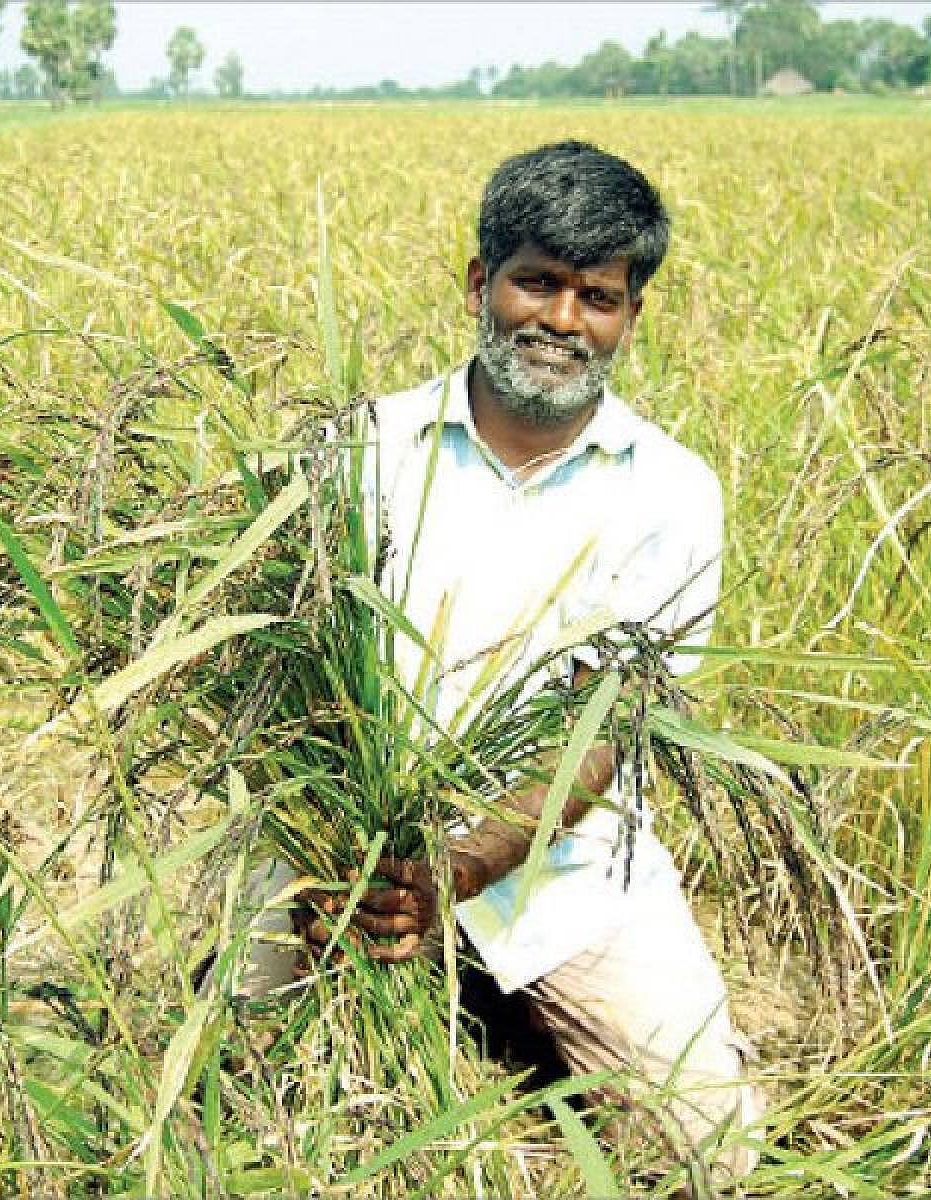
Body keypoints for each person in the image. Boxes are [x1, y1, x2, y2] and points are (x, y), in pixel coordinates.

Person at [254, 140, 766, 1185]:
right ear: (480, 283)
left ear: (632, 314)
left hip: (562, 871)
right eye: (537, 281)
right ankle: (459, 992)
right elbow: (280, 680)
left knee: (710, 1150)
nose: (564, 321)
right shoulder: (356, 451)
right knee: (250, 1113)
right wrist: (335, 849)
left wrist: (463, 869)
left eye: (600, 296)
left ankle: (494, 987)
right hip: (344, 859)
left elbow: (606, 731)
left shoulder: (671, 491)